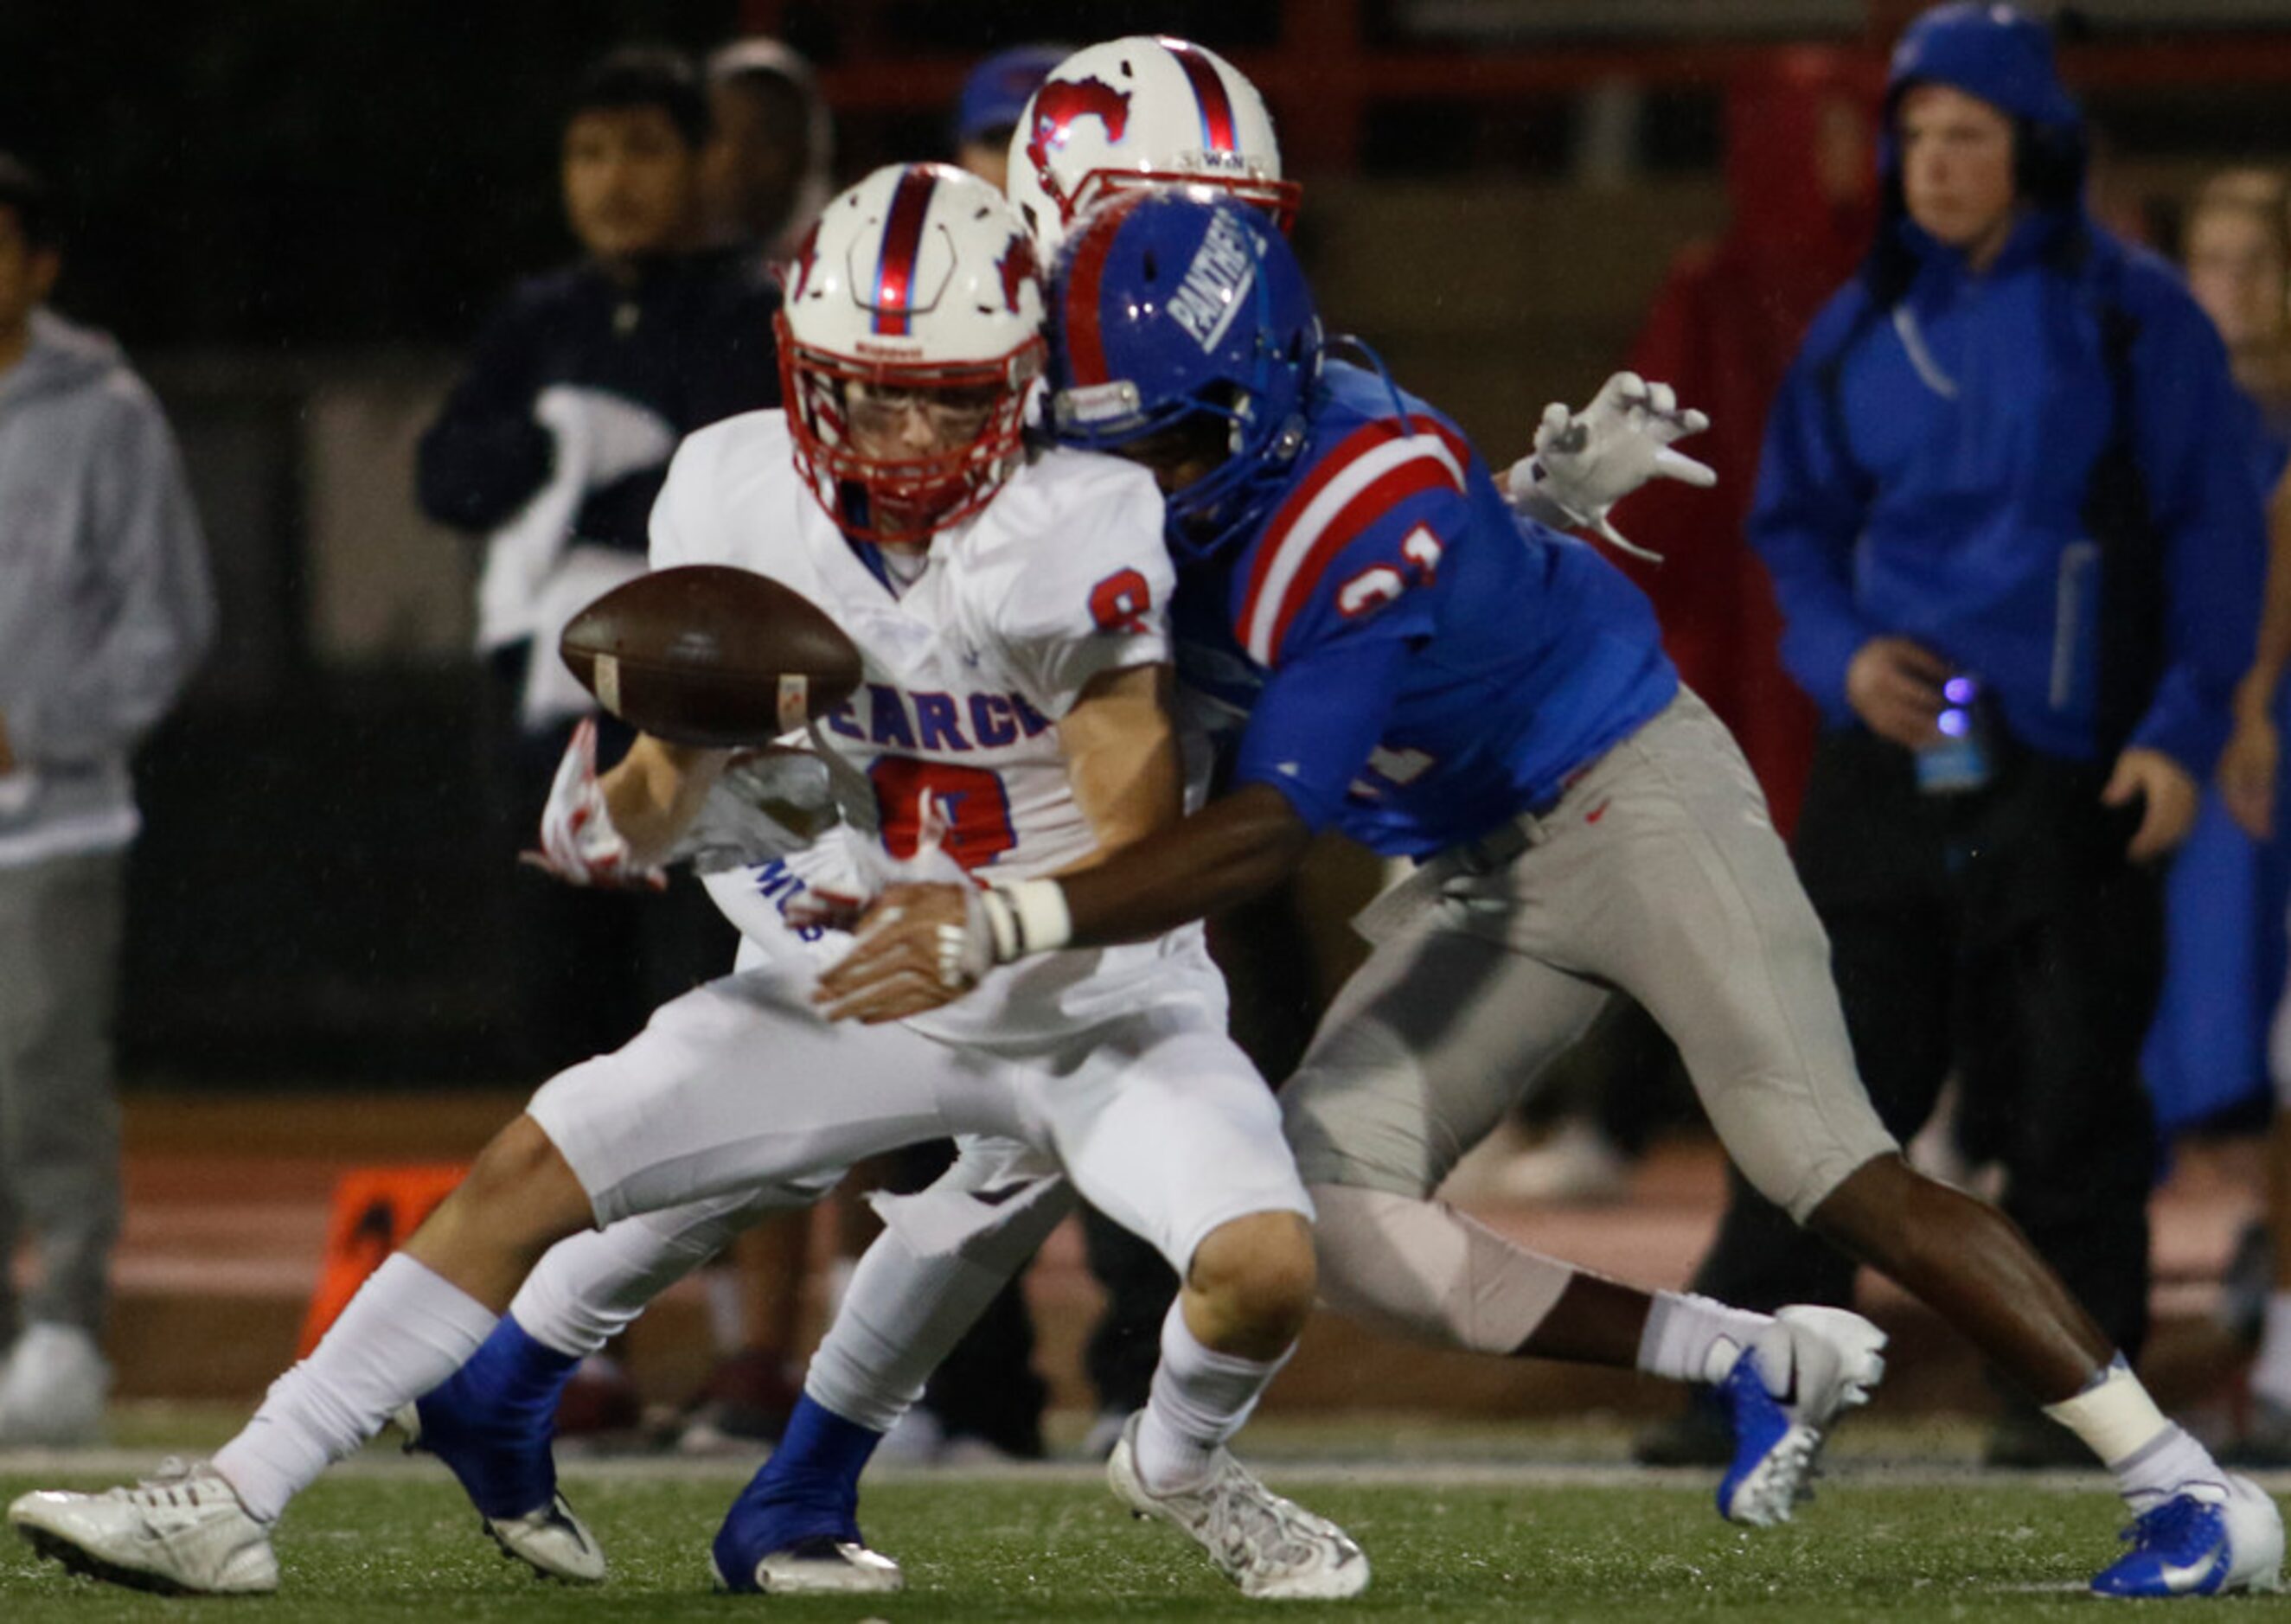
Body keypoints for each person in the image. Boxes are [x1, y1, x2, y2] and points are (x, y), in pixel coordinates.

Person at [816, 175, 2285, 1599]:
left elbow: (1269, 824)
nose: (1147, 478)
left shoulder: (1345, 494)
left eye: (1175, 442)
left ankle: (2183, 1489)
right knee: (1313, 1201)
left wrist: (1006, 918)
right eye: (1107, 445)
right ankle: (1742, 1355)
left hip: (1626, 792)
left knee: (1822, 1162)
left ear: (1256, 389)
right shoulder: (1146, 484)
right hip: (1474, 863)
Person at [6, 163, 1367, 1604]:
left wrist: (987, 921)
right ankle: (233, 1492)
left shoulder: (1078, 515)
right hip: (876, 973)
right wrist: (618, 819)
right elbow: (669, 782)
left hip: (1090, 989)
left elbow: (1134, 825)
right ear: (801, 372)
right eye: (868, 392)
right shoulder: (731, 483)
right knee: (540, 1156)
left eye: (955, 400)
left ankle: (1175, 1456)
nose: (906, 437)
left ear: (1020, 385)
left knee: (1264, 1264)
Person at [1652, 1, 2277, 1478]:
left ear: (2031, 145)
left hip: (2075, 758)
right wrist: (1833, 651)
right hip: (1892, 746)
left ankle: (2075, 1408)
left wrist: (2183, 729)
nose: (1930, 164)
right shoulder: (1862, 320)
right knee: (1821, 1079)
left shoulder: (2133, 314)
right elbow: (1790, 527)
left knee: (2066, 1095)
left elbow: (2213, 540)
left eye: (1964, 135)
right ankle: (1749, 1380)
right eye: (1912, 135)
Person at [0, 153, 214, 1446]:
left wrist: (33, 735)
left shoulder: (108, 414)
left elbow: (165, 616)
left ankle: (64, 1333)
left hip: (56, 818)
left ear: (39, 263)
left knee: (44, 1078)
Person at [2167, 169, 2291, 1465]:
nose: (2237, 289)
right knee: (2238, 1031)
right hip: (2229, 738)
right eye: (2216, 259)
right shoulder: (2181, 415)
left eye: (2260, 260)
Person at [697, 37, 834, 260]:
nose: (736, 157)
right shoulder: (669, 261)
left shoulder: (843, 258)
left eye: (766, 137)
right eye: (721, 133)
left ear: (808, 150)